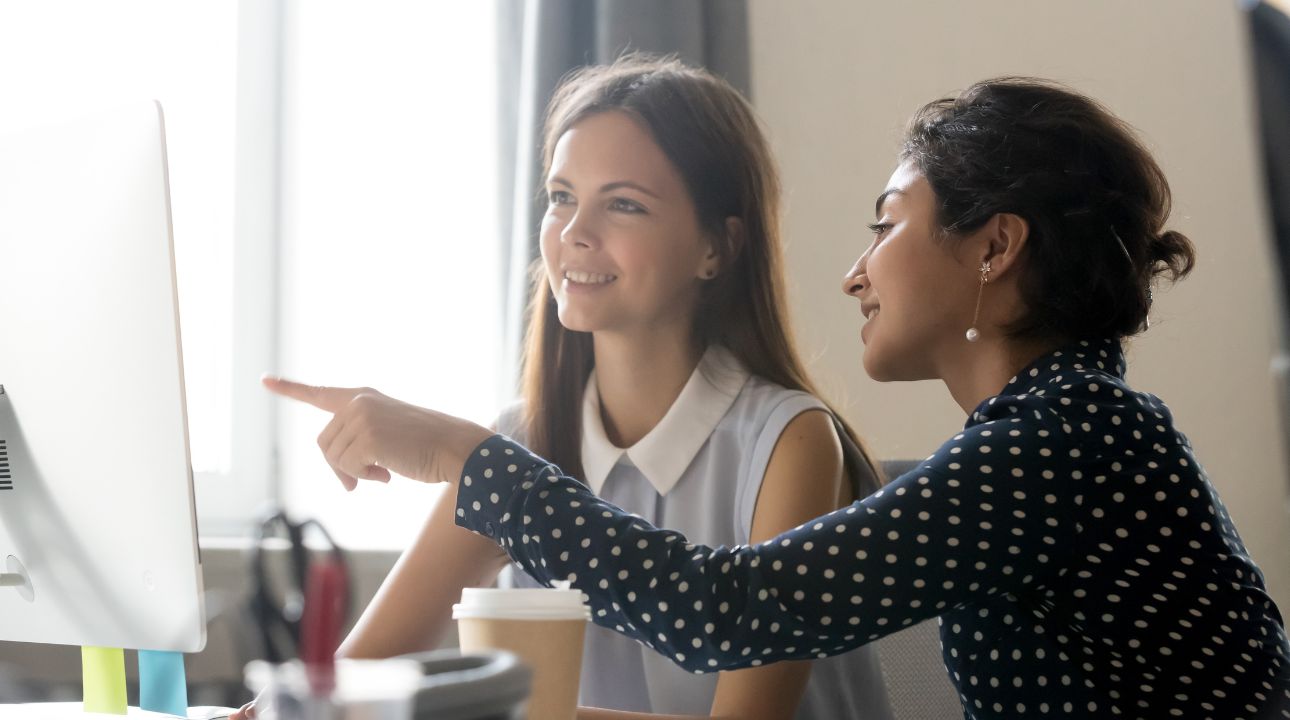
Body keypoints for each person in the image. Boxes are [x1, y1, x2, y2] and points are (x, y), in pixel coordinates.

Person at [266, 77, 1290, 719]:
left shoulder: (1069, 442)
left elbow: (733, 608)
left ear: (994, 246)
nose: (857, 272)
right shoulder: (1054, 435)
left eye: (888, 224)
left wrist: (462, 459)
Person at [249, 56, 895, 720]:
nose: (574, 234)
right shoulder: (522, 442)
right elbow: (352, 681)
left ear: (716, 247)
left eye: (623, 204)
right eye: (561, 197)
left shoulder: (790, 442)